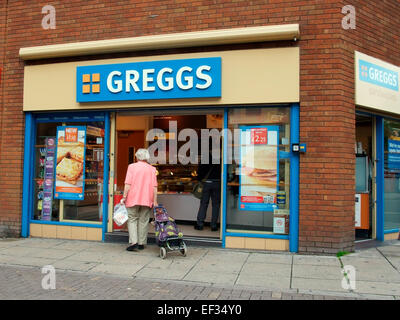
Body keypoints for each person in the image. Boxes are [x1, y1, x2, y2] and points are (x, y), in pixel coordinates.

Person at [120, 148, 158, 251]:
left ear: (137, 156)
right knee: (144, 220)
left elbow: (128, 184)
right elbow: (154, 187)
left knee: (132, 219)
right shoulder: (152, 169)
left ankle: (134, 242)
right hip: (147, 198)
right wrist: (155, 201)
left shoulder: (131, 167)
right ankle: (141, 243)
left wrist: (124, 197)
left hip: (133, 198)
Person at [194, 145, 221, 231]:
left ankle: (200, 224)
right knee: (216, 204)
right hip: (217, 183)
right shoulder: (221, 157)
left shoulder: (206, 157)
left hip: (206, 183)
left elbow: (200, 170)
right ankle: (213, 225)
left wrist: (199, 179)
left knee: (204, 203)